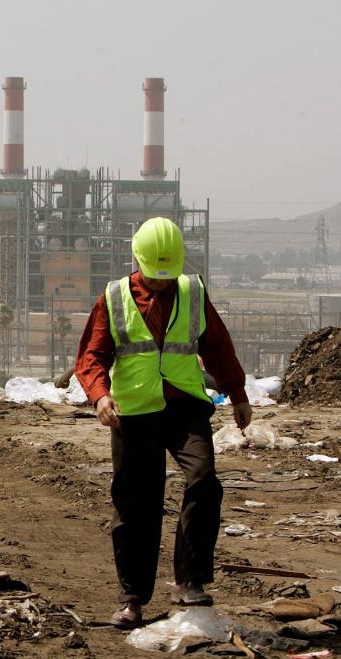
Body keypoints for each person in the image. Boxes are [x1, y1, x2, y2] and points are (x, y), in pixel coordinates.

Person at [74, 217, 252, 630]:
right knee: (137, 503)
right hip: (133, 413)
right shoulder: (115, 297)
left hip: (184, 406)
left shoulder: (191, 292)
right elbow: (92, 356)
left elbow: (217, 345)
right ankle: (132, 598)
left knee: (204, 480)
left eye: (166, 277)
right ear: (137, 260)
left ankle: (190, 579)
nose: (160, 285)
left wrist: (237, 394)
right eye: (154, 278)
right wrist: (99, 396)